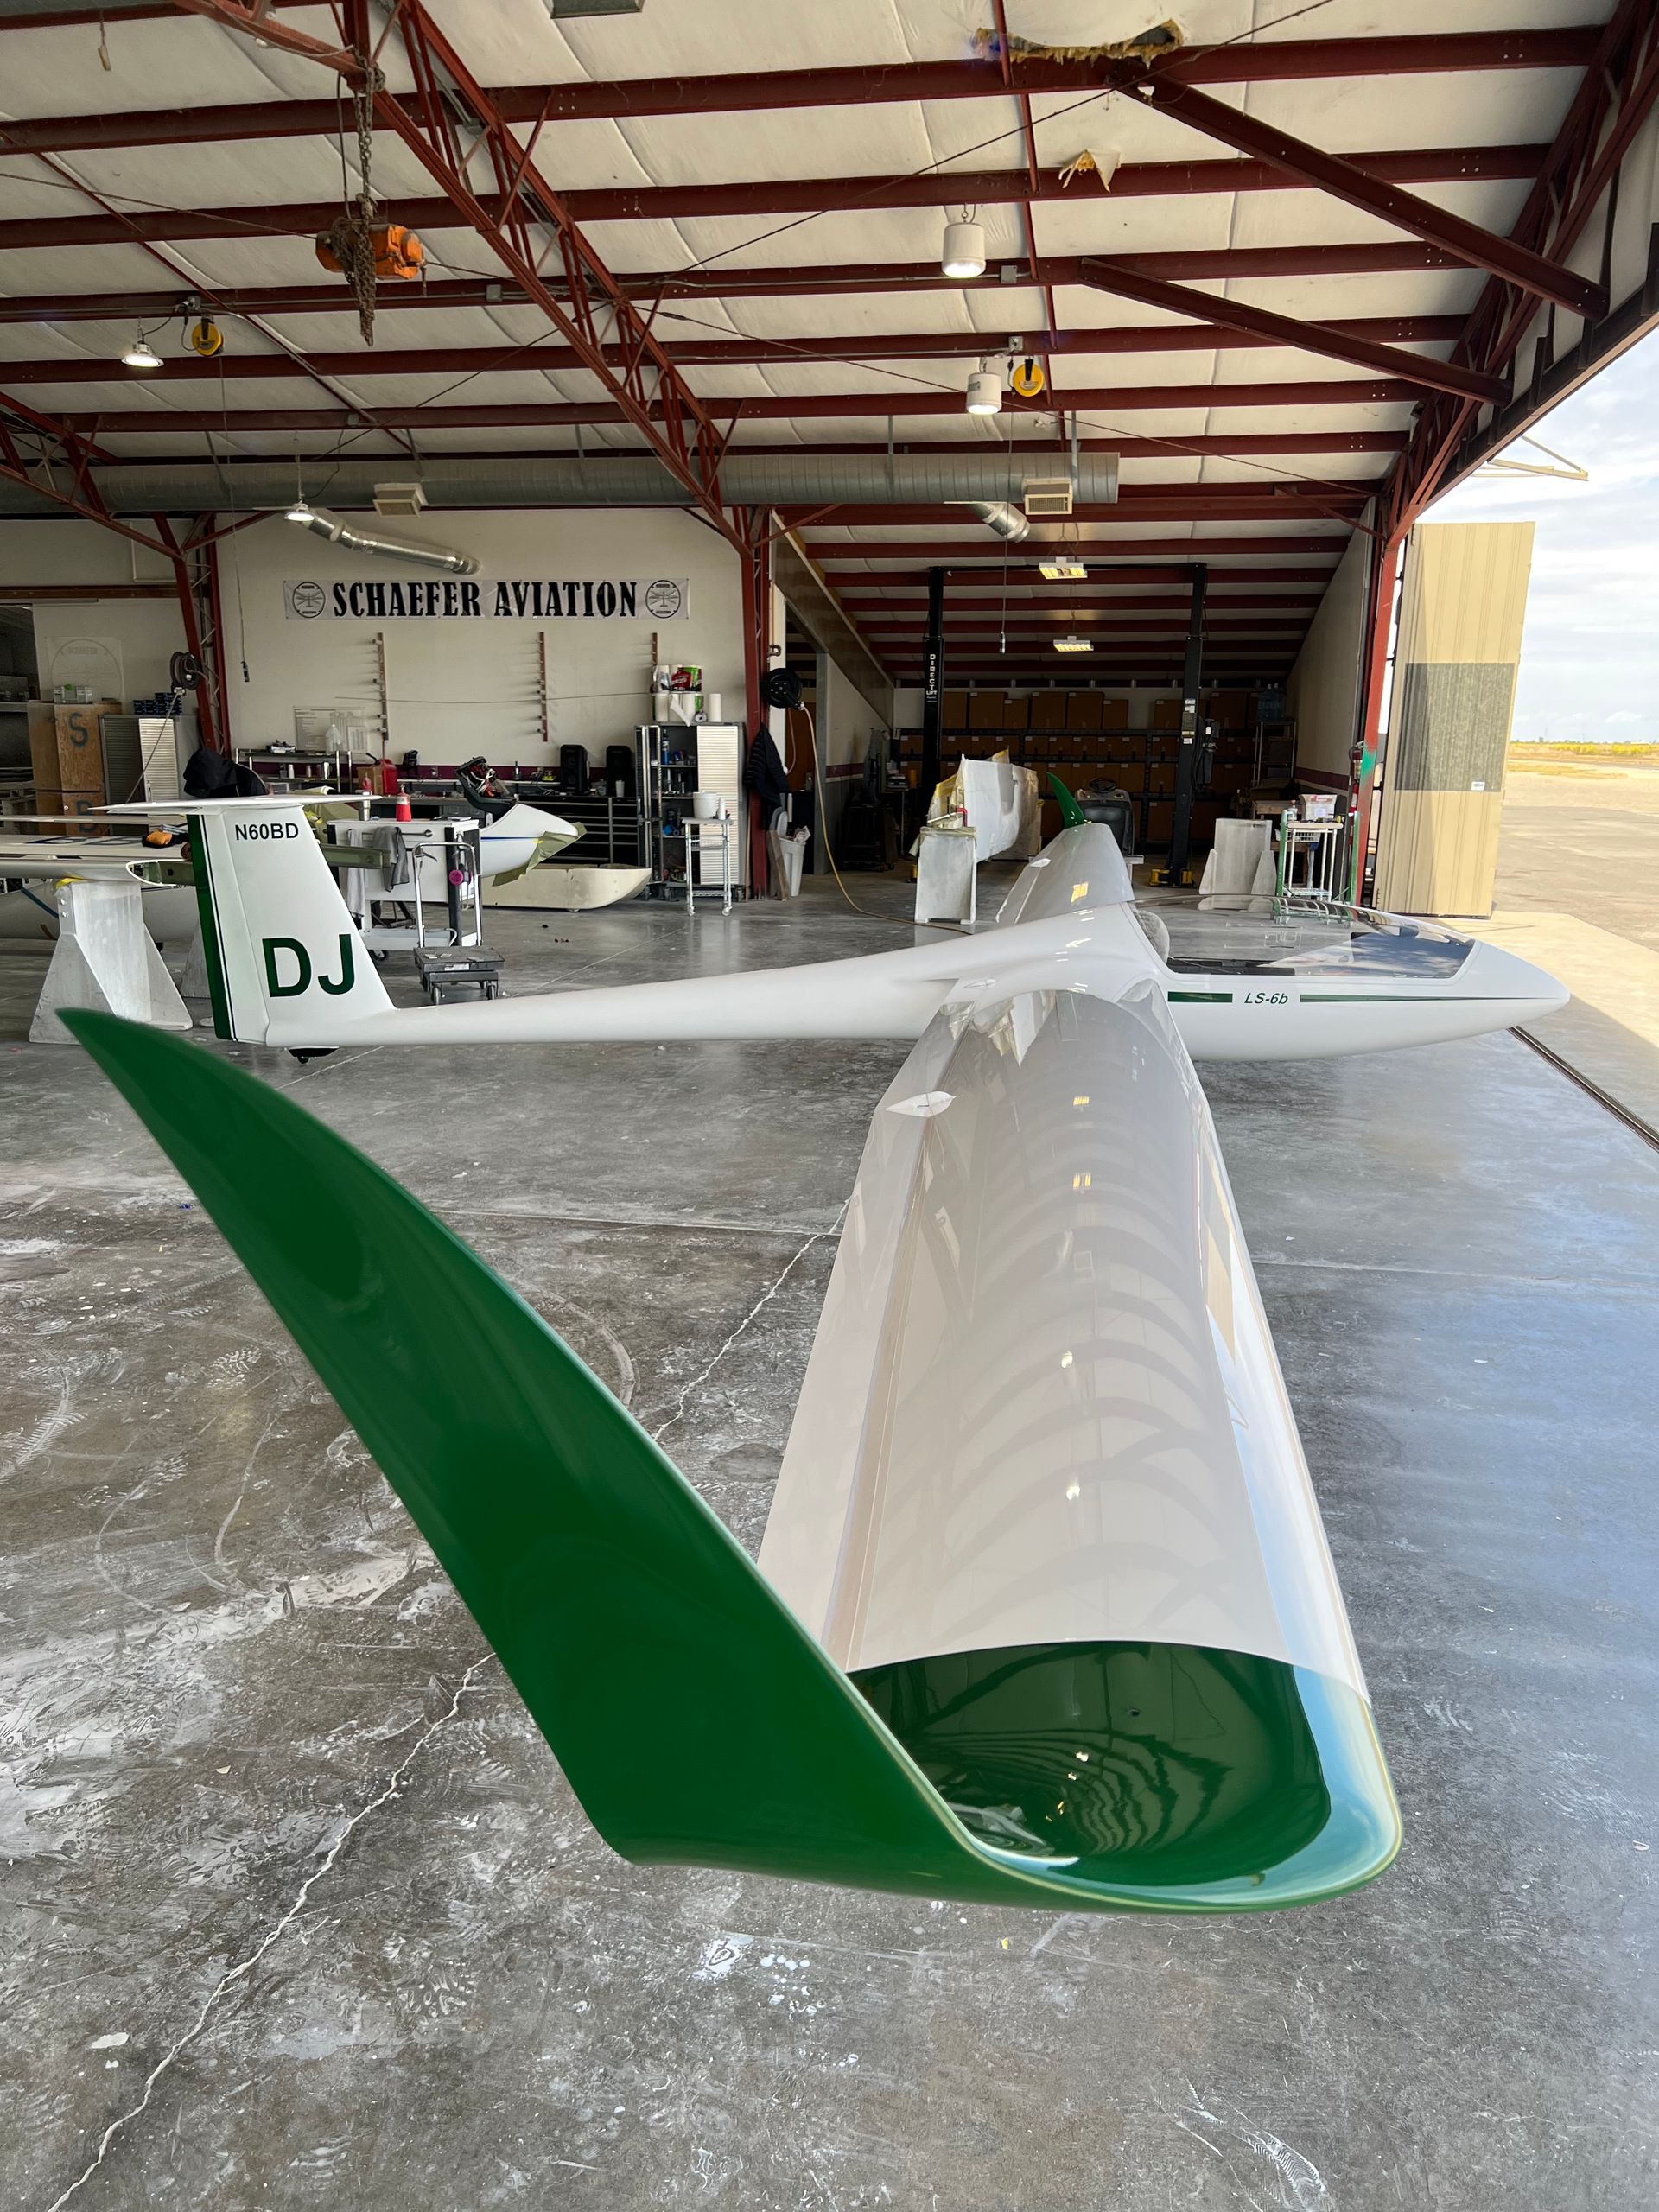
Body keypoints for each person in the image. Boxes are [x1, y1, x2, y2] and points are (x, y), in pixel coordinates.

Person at [454, 754, 513, 823]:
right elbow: (504, 792)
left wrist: (493, 778)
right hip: (498, 803)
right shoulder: (482, 786)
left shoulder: (487, 783)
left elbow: (505, 792)